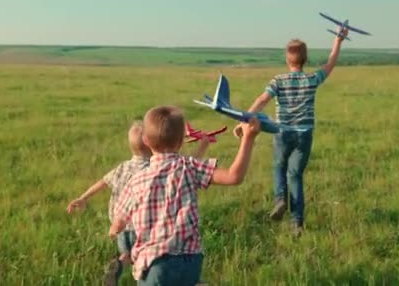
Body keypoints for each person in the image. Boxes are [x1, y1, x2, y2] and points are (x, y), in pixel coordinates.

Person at [110, 106, 261, 285]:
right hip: (190, 262)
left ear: (146, 141)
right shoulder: (189, 167)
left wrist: (115, 229)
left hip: (154, 264)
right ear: (181, 141)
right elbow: (234, 176)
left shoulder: (136, 180)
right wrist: (248, 138)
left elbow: (118, 223)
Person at [234, 27, 349, 237]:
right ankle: (297, 223)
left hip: (283, 132)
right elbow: (330, 63)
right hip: (304, 135)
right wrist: (338, 40)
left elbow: (262, 100)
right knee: (295, 175)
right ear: (305, 60)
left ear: (288, 60)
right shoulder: (312, 79)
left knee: (279, 167)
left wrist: (245, 118)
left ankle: (280, 200)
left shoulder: (278, 81)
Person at [66, 120, 152, 285]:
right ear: (152, 144)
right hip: (139, 227)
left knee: (127, 254)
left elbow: (103, 182)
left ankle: (119, 264)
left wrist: (83, 197)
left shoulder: (123, 167)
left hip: (118, 226)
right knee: (144, 258)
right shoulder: (150, 169)